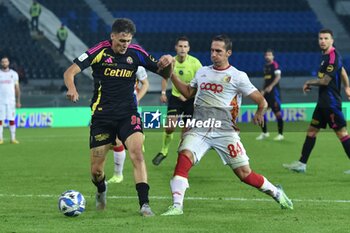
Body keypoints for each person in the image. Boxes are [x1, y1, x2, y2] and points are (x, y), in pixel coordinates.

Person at [161, 35, 293, 216]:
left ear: (228, 53)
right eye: (212, 50)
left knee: (244, 174)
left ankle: (276, 192)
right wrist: (171, 74)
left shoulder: (238, 76)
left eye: (218, 51)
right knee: (184, 156)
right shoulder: (202, 72)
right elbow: (187, 92)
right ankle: (177, 206)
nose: (213, 54)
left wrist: (259, 112)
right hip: (200, 128)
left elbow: (261, 100)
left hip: (225, 132)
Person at [63, 18, 174, 216]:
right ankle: (101, 190)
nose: (125, 45)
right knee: (96, 171)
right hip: (102, 117)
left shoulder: (136, 53)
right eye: (121, 40)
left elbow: (163, 72)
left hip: (128, 114)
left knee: (137, 154)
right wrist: (71, 87)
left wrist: (169, 62)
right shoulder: (99, 51)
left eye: (128, 41)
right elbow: (70, 71)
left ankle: (145, 204)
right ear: (112, 36)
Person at [283, 29, 350, 173]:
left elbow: (325, 81)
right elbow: (343, 70)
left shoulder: (333, 57)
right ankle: (302, 164)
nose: (323, 41)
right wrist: (347, 87)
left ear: (332, 40)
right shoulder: (325, 56)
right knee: (312, 131)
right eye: (320, 38)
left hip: (331, 104)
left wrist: (309, 82)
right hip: (323, 103)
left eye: (326, 38)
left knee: (342, 133)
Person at [152, 36, 202, 166]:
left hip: (190, 100)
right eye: (180, 46)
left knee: (186, 131)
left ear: (189, 48)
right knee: (169, 127)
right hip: (176, 98)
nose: (183, 49)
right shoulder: (171, 61)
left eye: (185, 46)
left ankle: (180, 157)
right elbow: (165, 77)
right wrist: (163, 92)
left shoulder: (195, 63)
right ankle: (164, 151)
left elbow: (202, 81)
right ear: (176, 47)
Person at [108, 66, 149, 184]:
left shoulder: (138, 66)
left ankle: (118, 175)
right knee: (112, 142)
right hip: (112, 106)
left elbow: (145, 84)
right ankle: (138, 138)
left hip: (129, 108)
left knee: (117, 141)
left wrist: (137, 98)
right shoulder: (111, 64)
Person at [256, 49, 284, 141]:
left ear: (273, 56)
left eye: (269, 55)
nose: (268, 56)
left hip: (274, 93)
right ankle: (265, 133)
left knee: (278, 113)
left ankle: (280, 134)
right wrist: (262, 90)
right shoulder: (265, 67)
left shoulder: (275, 65)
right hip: (266, 93)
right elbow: (265, 80)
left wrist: (271, 86)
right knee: (261, 112)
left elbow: (278, 77)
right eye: (266, 55)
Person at [0, 56, 21, 144]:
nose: (4, 63)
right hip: (0, 101)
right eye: (3, 62)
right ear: (1, 63)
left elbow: (17, 88)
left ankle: (13, 138)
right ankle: (0, 138)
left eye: (6, 61)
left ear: (8, 63)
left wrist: (18, 101)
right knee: (0, 120)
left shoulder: (14, 74)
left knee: (11, 119)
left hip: (11, 101)